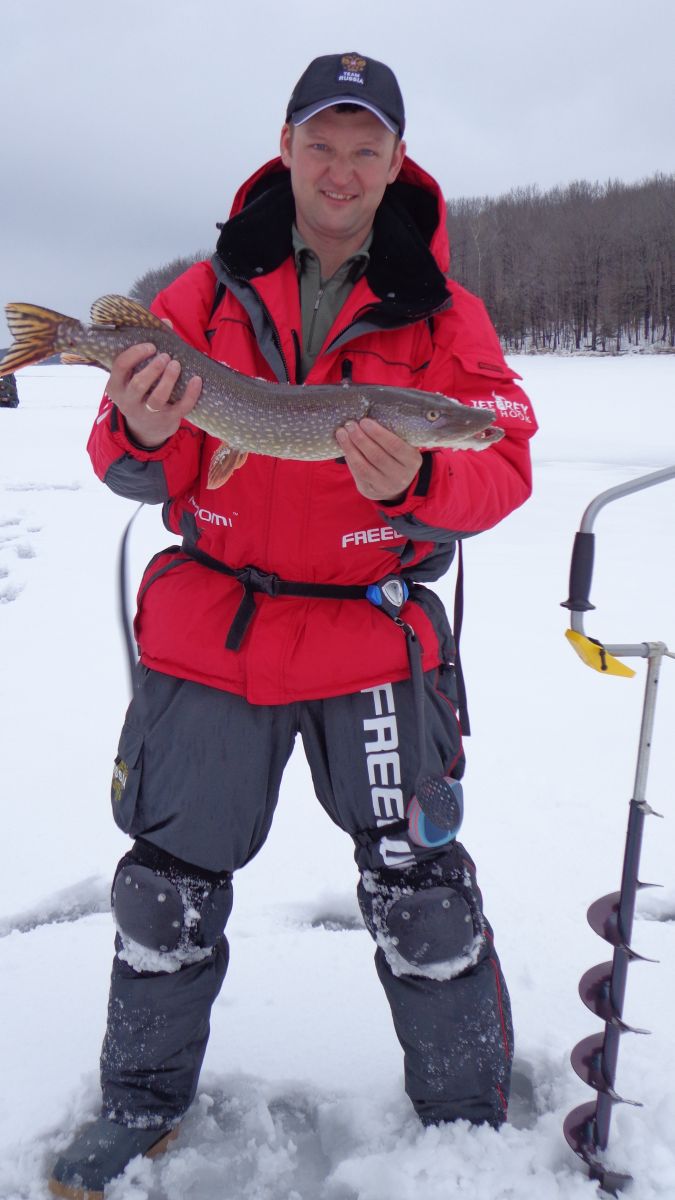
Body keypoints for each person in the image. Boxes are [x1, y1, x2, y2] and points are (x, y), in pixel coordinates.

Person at [50, 52, 537, 1198]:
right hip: (215, 630)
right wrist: (140, 425)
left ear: (397, 162)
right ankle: (140, 1103)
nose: (341, 168)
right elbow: (129, 465)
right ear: (286, 147)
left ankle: (468, 1121)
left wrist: (420, 478)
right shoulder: (203, 296)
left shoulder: (444, 313)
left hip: (371, 636)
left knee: (422, 889)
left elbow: (503, 453)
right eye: (322, 143)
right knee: (165, 887)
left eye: (367, 148)